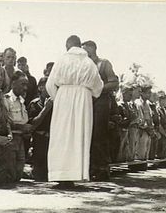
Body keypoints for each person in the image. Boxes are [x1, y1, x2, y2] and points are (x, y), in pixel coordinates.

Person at [46, 35, 103, 188]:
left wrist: (58, 98)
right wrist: (88, 94)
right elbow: (98, 87)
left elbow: (50, 85)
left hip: (63, 97)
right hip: (83, 100)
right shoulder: (89, 62)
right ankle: (77, 173)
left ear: (67, 46)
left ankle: (61, 175)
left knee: (61, 136)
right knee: (80, 135)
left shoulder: (61, 61)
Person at [82, 40, 119, 181]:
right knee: (87, 134)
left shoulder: (104, 64)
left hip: (101, 102)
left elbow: (114, 82)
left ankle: (102, 169)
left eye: (87, 50)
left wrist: (99, 89)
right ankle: (90, 168)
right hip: (87, 101)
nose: (85, 53)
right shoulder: (83, 65)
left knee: (99, 135)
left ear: (94, 49)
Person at [4, 71, 32, 182]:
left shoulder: (22, 101)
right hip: (11, 140)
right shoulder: (6, 100)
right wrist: (21, 127)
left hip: (21, 140)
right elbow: (4, 122)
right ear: (13, 83)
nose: (25, 88)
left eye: (26, 85)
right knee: (10, 174)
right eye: (22, 84)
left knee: (18, 174)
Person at [28, 78, 53, 182]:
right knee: (39, 176)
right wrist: (46, 109)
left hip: (52, 142)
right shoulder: (34, 104)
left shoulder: (56, 103)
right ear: (40, 88)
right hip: (39, 142)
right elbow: (33, 124)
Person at [116, 83, 133, 162]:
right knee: (120, 148)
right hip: (121, 130)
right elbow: (119, 120)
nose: (131, 97)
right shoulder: (120, 105)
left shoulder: (128, 105)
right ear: (123, 93)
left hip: (127, 130)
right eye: (129, 95)